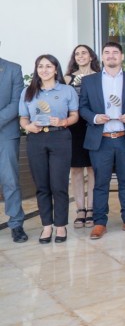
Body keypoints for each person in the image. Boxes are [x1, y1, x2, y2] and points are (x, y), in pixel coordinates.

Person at [79, 42, 125, 239]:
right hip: (101, 140)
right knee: (101, 183)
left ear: (122, 57)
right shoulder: (89, 81)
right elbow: (83, 108)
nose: (111, 55)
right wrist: (94, 118)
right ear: (102, 57)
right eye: (107, 52)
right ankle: (100, 222)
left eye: (115, 52)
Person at [19, 55, 79, 243]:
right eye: (40, 66)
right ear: (36, 69)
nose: (44, 70)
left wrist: (63, 122)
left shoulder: (67, 90)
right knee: (42, 185)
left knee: (59, 185)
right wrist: (28, 127)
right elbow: (23, 118)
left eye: (48, 66)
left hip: (59, 137)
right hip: (36, 139)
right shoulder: (28, 91)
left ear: (55, 69)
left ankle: (60, 226)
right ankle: (46, 226)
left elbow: (75, 115)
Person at [64, 44, 100, 228]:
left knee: (93, 168)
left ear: (91, 56)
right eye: (77, 54)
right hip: (74, 128)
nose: (80, 56)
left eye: (84, 53)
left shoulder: (99, 76)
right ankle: (80, 209)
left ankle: (92, 208)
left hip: (93, 126)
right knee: (76, 169)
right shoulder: (67, 78)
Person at [0, 51, 27, 243]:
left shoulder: (13, 69)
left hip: (6, 134)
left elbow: (16, 102)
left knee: (10, 180)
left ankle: (16, 223)